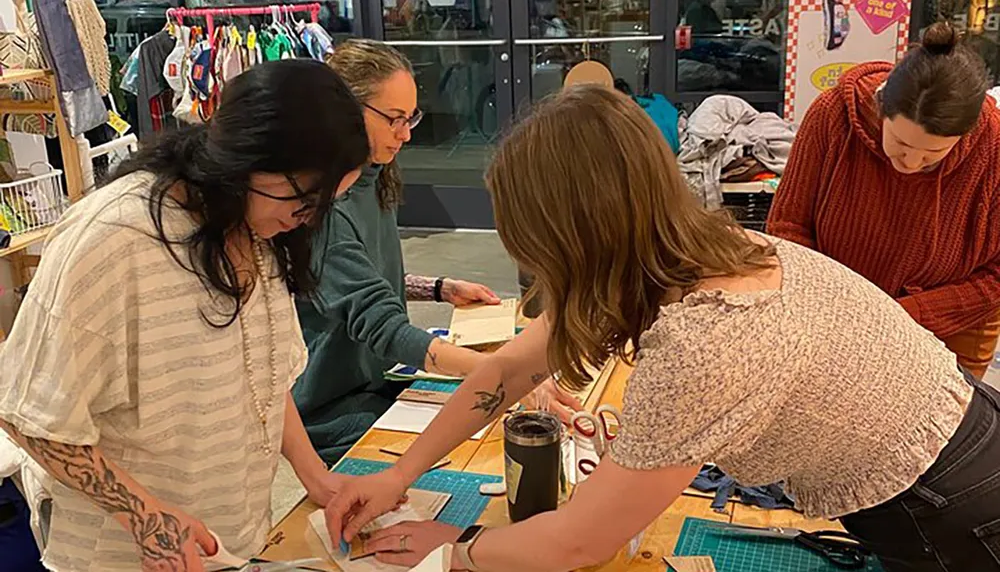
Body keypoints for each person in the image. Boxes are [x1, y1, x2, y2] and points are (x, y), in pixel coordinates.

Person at [323, 85, 1000, 572]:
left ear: (574, 237)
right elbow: (508, 367)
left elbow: (577, 542)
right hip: (961, 442)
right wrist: (401, 475)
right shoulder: (678, 247)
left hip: (947, 500)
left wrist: (453, 553)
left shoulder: (705, 340)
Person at [0, 60, 369, 572]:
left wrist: (318, 479)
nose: (304, 220)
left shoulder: (254, 229)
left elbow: (263, 380)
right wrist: (146, 517)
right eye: (302, 199)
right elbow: (29, 415)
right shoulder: (114, 239)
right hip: (123, 558)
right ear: (245, 159)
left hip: (231, 545)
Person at [293, 39, 511, 465]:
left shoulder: (372, 175)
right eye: (394, 118)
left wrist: (439, 289)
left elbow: (362, 277)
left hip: (372, 381)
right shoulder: (327, 207)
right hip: (333, 410)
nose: (406, 133)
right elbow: (380, 324)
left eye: (411, 117)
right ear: (344, 111)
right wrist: (492, 373)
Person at [767, 22, 1000, 378]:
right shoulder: (833, 115)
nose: (910, 163)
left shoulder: (994, 146)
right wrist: (831, 304)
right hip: (837, 316)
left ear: (965, 136)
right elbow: (788, 227)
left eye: (932, 154)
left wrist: (909, 313)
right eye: (901, 144)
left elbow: (996, 276)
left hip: (952, 325)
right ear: (881, 108)